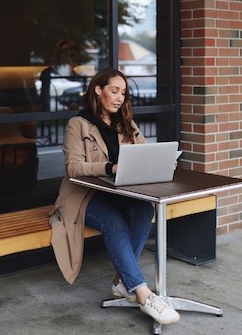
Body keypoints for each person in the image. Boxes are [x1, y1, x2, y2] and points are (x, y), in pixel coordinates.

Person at [49, 67, 180, 325]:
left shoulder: (125, 123)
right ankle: (143, 294)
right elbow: (73, 168)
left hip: (118, 192)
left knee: (144, 209)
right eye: (114, 91)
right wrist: (110, 168)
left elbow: (145, 152)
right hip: (84, 195)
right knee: (114, 223)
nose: (120, 98)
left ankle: (122, 282)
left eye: (123, 93)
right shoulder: (78, 124)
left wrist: (162, 161)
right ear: (98, 90)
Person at [39, 39, 83, 111]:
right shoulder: (48, 73)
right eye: (69, 54)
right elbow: (44, 100)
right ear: (60, 55)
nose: (73, 58)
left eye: (74, 54)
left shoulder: (77, 76)